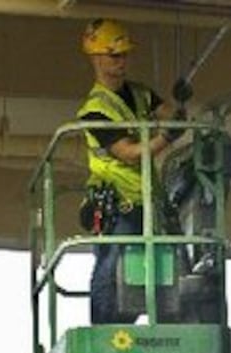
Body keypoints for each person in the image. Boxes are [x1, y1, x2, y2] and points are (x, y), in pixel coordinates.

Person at [77, 18, 183, 325]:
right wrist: (166, 137)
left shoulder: (139, 94)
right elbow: (128, 153)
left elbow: (168, 112)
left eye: (124, 55)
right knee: (111, 267)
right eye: (114, 55)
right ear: (96, 57)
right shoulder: (94, 110)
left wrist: (178, 110)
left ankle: (161, 323)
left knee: (158, 265)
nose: (121, 62)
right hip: (118, 201)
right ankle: (105, 330)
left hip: (147, 199)